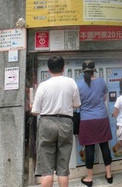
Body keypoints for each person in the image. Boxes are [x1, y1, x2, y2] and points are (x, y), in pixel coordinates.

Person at [31, 56, 81, 187]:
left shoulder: (43, 85)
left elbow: (35, 111)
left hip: (46, 123)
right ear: (63, 68)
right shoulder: (71, 82)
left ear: (48, 70)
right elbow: (77, 104)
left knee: (47, 170)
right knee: (63, 168)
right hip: (66, 122)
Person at [78, 60, 113, 186]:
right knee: (104, 146)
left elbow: (77, 103)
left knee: (89, 148)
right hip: (101, 117)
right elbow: (104, 98)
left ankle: (89, 178)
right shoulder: (101, 82)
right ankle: (109, 175)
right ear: (94, 70)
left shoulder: (79, 85)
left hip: (86, 120)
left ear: (83, 72)